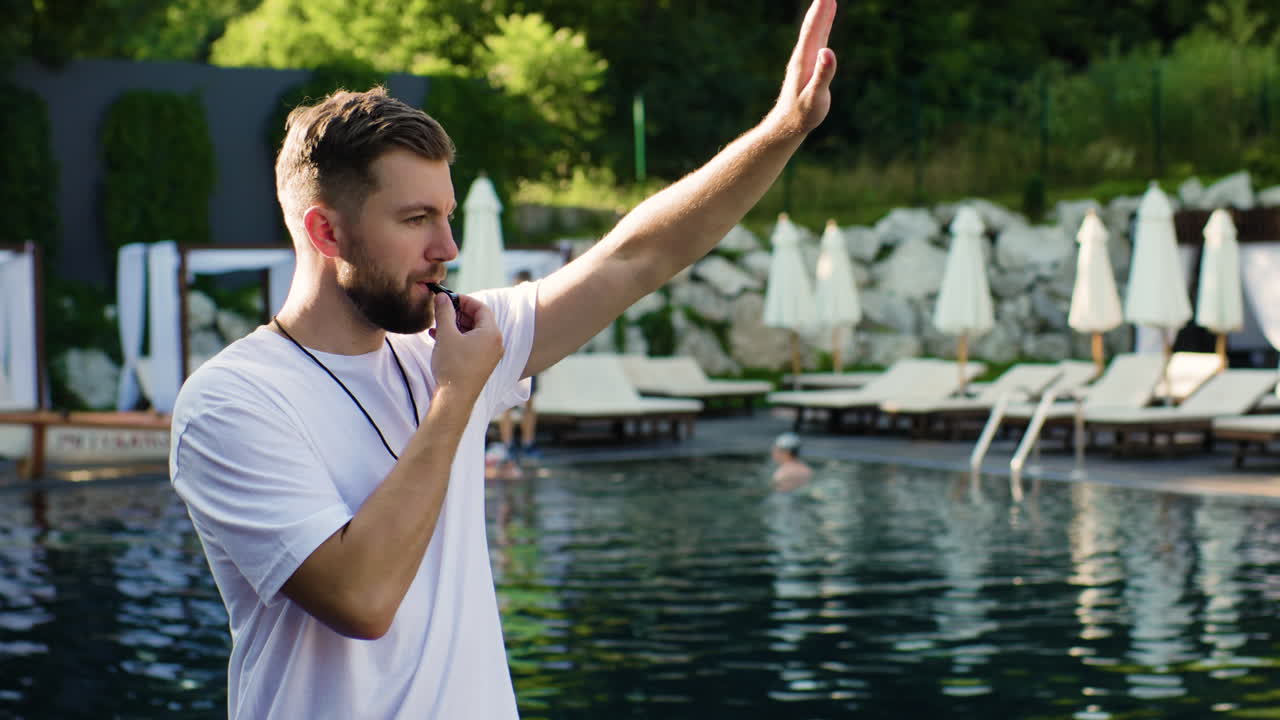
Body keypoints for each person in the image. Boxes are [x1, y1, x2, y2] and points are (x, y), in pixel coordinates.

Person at [169, 1, 836, 717]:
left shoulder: (454, 340)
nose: (447, 249)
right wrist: (456, 398)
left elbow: (635, 258)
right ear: (325, 232)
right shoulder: (232, 401)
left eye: (447, 215)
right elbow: (360, 598)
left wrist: (782, 131)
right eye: (416, 219)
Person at [498, 269, 540, 460]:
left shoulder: (531, 307)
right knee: (508, 405)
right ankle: (513, 444)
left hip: (524, 361)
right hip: (513, 361)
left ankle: (524, 443)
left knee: (525, 405)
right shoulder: (512, 306)